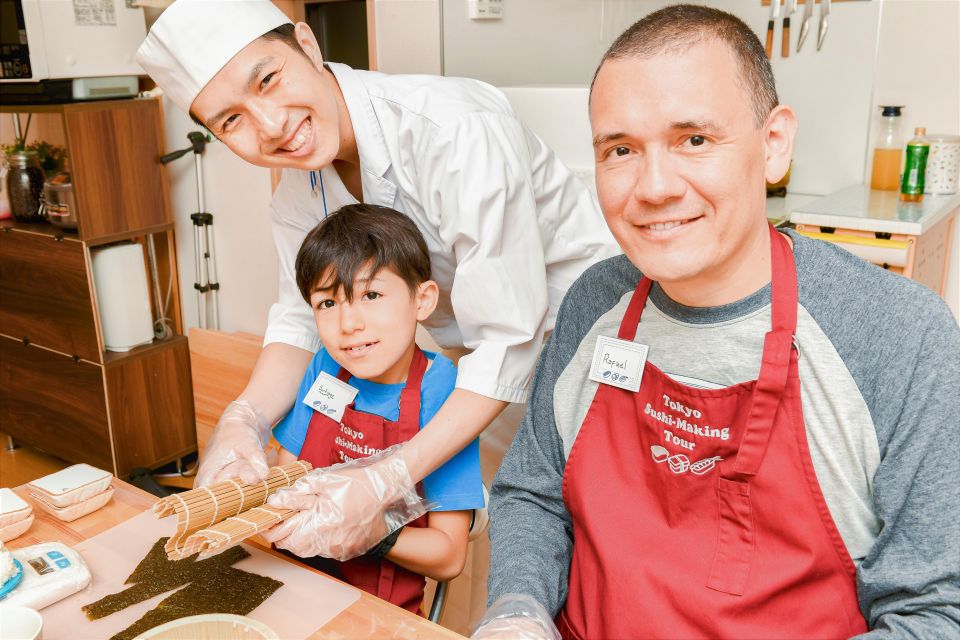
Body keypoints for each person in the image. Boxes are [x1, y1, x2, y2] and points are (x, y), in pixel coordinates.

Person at [477, 5, 960, 639]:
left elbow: (933, 612)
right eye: (620, 149)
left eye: (694, 140)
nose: (653, 187)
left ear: (774, 144)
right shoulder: (594, 302)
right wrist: (517, 611)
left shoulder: (899, 335)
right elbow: (533, 493)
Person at [135, 0, 615, 574]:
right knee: (522, 525)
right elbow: (296, 319)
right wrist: (243, 421)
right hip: (484, 368)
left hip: (596, 345)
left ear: (309, 47)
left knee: (599, 534)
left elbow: (510, 336)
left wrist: (385, 477)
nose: (269, 125)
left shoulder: (452, 127)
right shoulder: (298, 193)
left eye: (268, 79)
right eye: (229, 120)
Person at [263, 204, 483, 614]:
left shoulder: (445, 393)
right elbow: (286, 468)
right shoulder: (326, 367)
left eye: (372, 295)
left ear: (422, 300)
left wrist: (368, 533)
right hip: (294, 587)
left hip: (375, 614)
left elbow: (449, 556)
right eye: (327, 303)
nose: (349, 324)